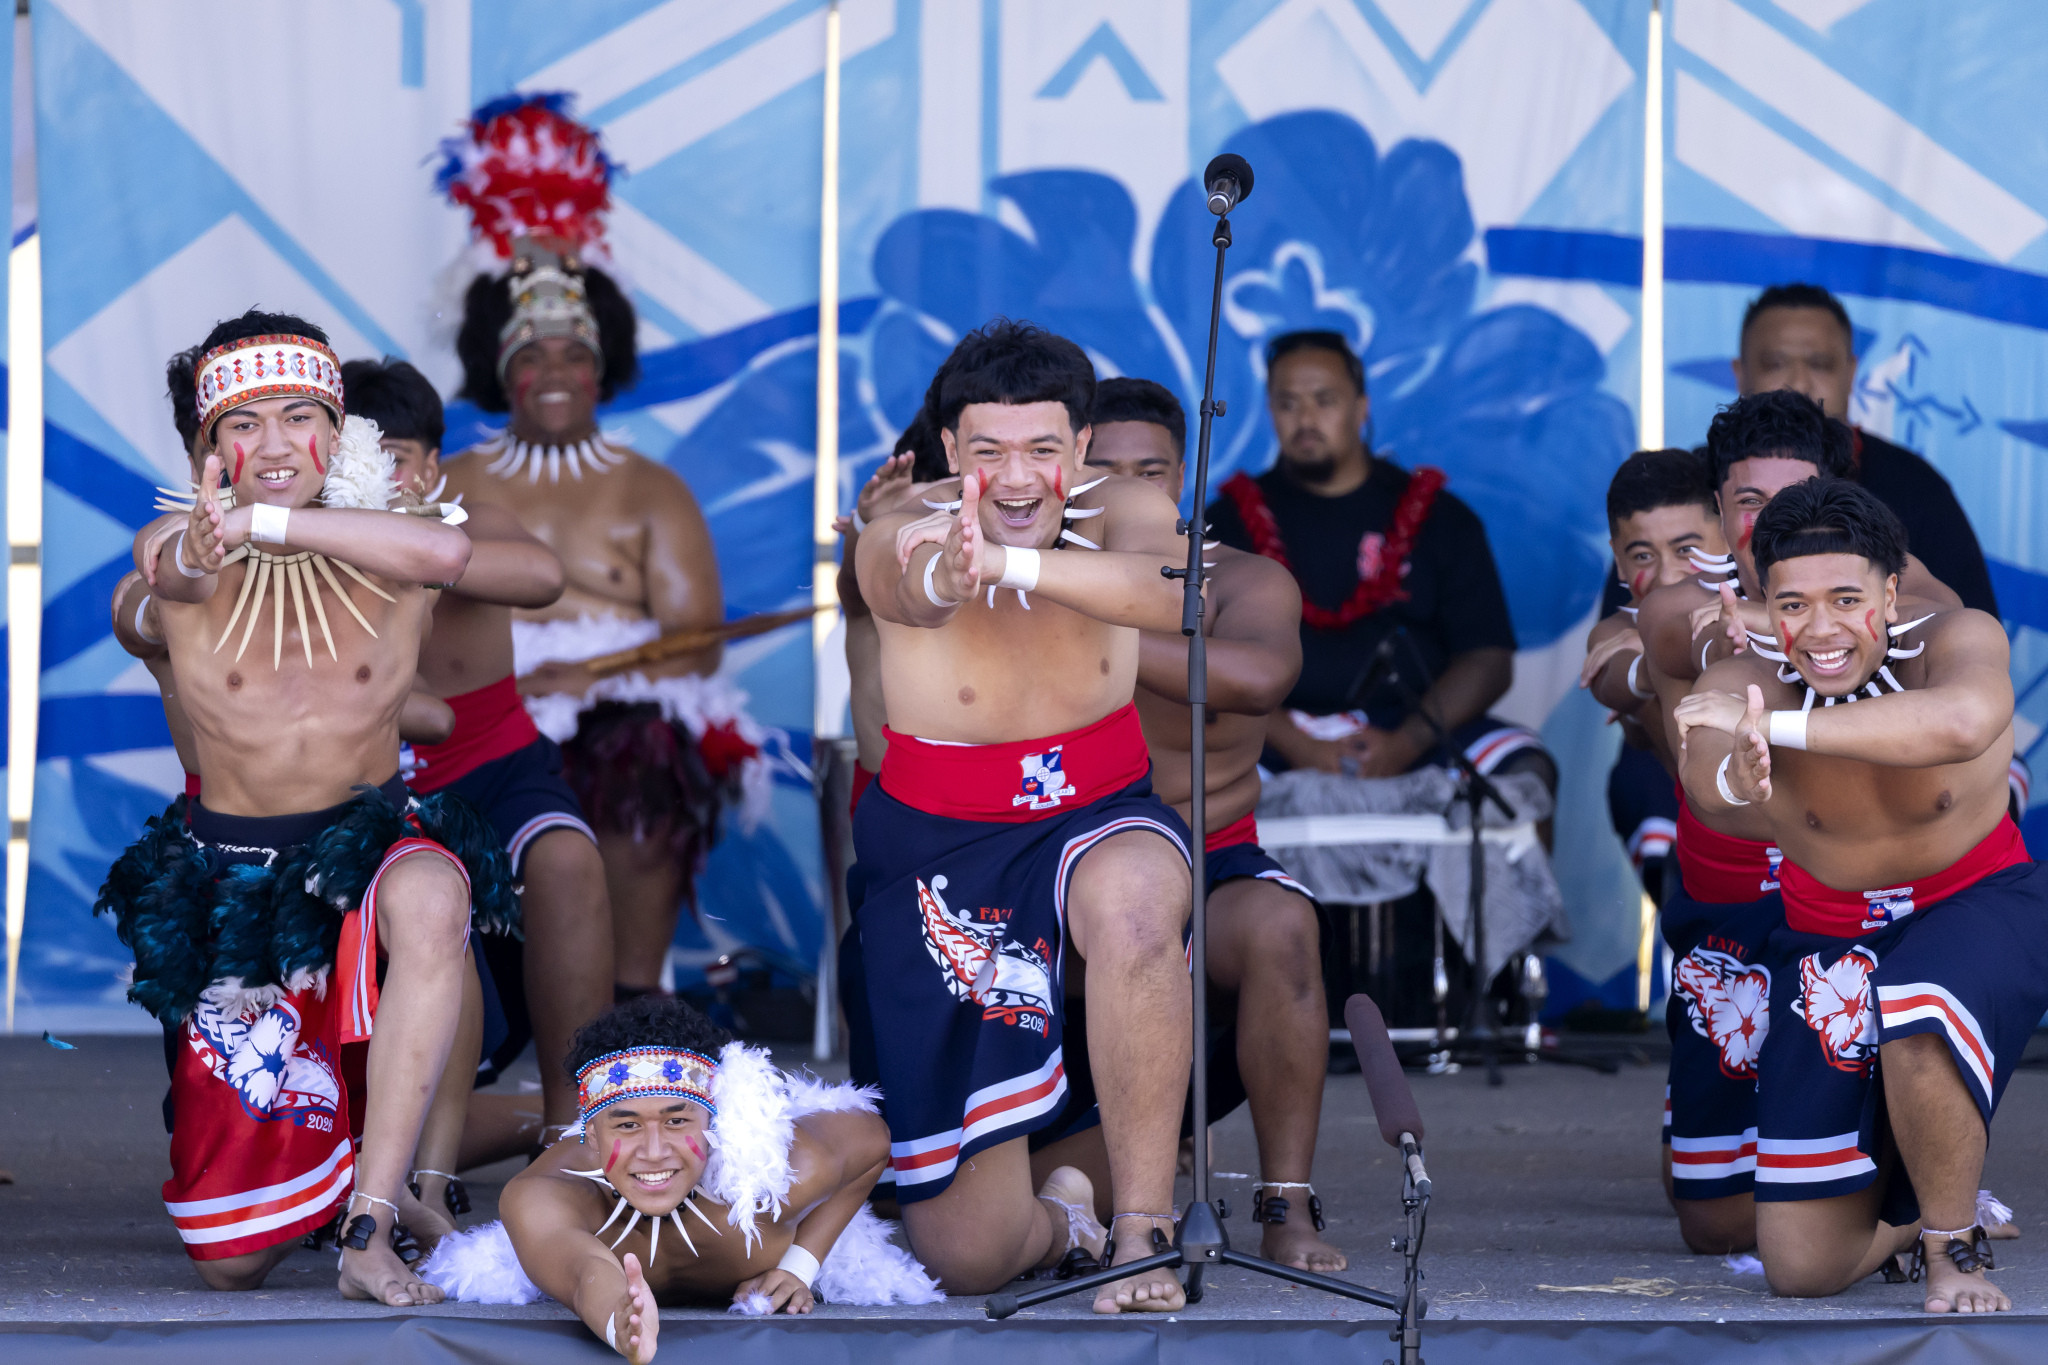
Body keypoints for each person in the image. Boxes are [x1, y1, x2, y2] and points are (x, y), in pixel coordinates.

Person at [94, 310, 518, 1305]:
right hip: (236, 881)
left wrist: (264, 523)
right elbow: (167, 575)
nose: (275, 444)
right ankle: (499, 1128)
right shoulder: (178, 548)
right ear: (207, 452)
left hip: (366, 850)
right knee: (229, 1262)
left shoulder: (394, 547)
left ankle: (370, 1222)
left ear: (340, 431)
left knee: (432, 895)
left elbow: (450, 558)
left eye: (299, 417)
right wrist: (214, 543)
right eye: (243, 426)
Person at [850, 319, 1195, 1312]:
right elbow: (911, 587)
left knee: (1137, 904)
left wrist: (1012, 568)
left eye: (1041, 449)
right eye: (987, 450)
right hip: (944, 846)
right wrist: (952, 571)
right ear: (949, 447)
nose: (1013, 478)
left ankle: (1141, 1232)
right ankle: (1067, 1216)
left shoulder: (1128, 507)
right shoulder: (902, 524)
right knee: (968, 1255)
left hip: (1098, 810)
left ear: (1080, 447)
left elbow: (1168, 596)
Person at [1674, 477, 2045, 1314]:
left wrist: (1776, 729)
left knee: (1918, 994)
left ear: (1889, 592)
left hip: (1980, 901)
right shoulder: (1742, 679)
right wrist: (1738, 772)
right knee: (1801, 1266)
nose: (1822, 628)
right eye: (1793, 605)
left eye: (1846, 599)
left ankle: (1953, 1247)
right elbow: (1706, 780)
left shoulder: (1957, 637)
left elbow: (1961, 722)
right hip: (1829, 936)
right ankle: (1911, 1221)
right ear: (1766, 607)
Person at [436, 95, 761, 999]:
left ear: (600, 367)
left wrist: (590, 679)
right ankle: (471, 991)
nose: (553, 375)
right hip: (482, 707)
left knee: (645, 754)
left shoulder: (654, 491)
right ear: (501, 373)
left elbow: (697, 642)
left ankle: (628, 996)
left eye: (571, 356)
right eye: (530, 357)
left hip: (619, 711)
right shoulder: (452, 481)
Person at [1065, 376, 1342, 1273]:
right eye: (1103, 471)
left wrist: (1091, 631)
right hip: (1068, 872)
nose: (1127, 489)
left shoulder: (1244, 580)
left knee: (1284, 926)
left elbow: (1259, 679)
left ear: (1183, 477)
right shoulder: (1032, 578)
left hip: (1212, 861)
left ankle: (1285, 1202)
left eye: (1148, 471)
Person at [344, 358, 614, 1152]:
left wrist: (420, 545)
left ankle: (576, 1123)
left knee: (567, 858)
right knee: (376, 1138)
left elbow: (542, 574)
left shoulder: (469, 521)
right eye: (358, 458)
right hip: (371, 795)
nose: (378, 478)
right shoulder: (311, 553)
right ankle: (522, 1127)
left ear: (432, 467)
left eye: (395, 458)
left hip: (494, 773)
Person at [419, 995, 941, 1350]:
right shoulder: (543, 1195)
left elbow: (872, 1138)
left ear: (714, 1122)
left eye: (676, 1121)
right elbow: (583, 1274)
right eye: (627, 1125)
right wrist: (621, 1320)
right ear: (591, 1135)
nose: (654, 1152)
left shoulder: (777, 1179)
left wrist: (801, 1266)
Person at [1207, 330, 1550, 791]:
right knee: (1197, 778)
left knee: (1525, 770)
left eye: (1324, 400)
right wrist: (1299, 745)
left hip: (1416, 730)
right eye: (1287, 404)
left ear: (1362, 407)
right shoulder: (1227, 523)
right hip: (1274, 736)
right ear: (1270, 411)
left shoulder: (1440, 517)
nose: (1305, 419)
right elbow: (1206, 659)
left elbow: (1487, 658)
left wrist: (1405, 743)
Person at [1731, 282, 1997, 616]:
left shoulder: (1916, 487)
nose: (1798, 384)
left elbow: (1973, 626)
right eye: (1775, 364)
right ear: (1740, 374)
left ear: (1851, 373)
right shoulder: (1701, 478)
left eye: (1820, 364)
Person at [1582, 449, 1730, 900]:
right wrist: (1654, 663)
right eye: (1643, 555)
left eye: (1687, 550)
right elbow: (1613, 678)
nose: (1667, 575)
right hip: (1706, 858)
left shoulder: (1777, 608)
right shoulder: (1616, 634)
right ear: (1619, 561)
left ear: (1727, 533)